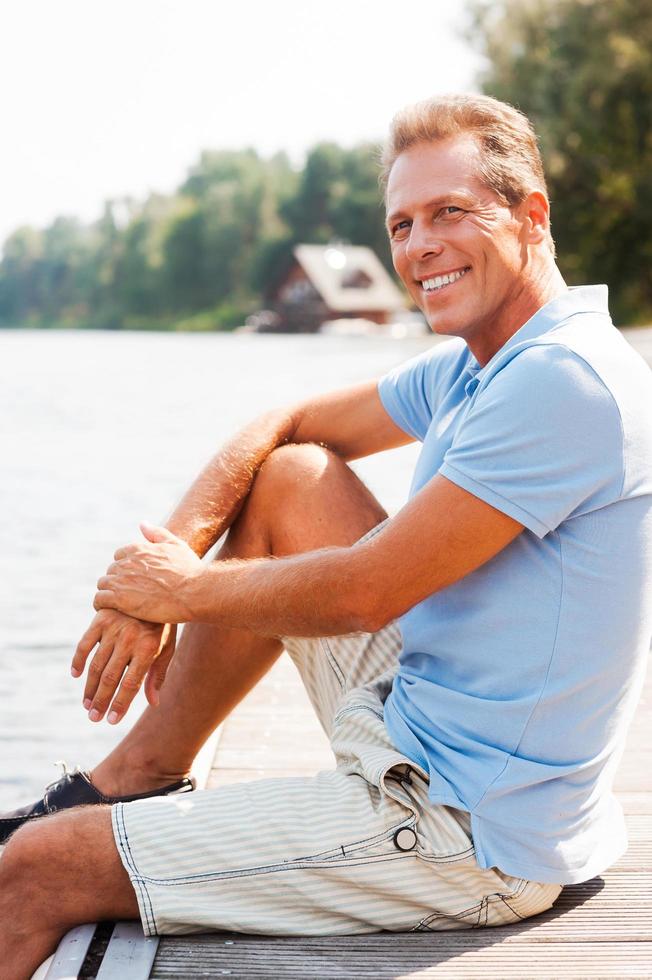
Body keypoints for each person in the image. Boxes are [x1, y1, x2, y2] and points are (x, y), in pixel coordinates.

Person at [2, 93, 651, 978]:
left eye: (449, 212)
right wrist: (175, 558)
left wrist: (177, 593)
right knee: (293, 477)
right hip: (428, 727)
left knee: (31, 873)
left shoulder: (562, 381)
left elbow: (363, 592)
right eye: (402, 222)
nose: (419, 245)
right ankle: (141, 771)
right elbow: (290, 419)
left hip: (469, 834)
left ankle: (91, 827)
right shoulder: (488, 357)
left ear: (530, 215)